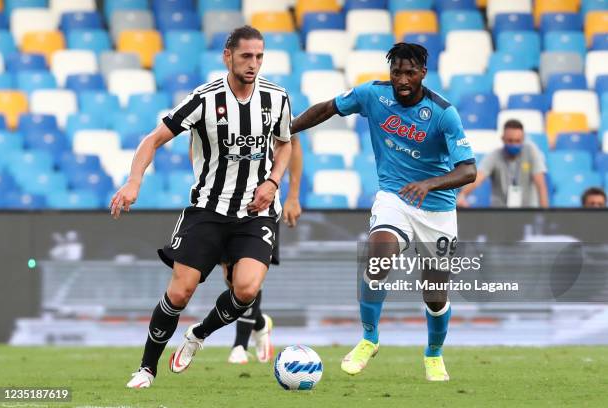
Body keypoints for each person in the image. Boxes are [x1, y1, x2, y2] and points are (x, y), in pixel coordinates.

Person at [110, 25, 293, 388]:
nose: (253, 64)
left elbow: (285, 144)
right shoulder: (205, 99)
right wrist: (134, 181)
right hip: (208, 210)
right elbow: (153, 139)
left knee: (246, 289)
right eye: (245, 56)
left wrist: (273, 182)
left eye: (259, 56)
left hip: (255, 213)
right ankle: (147, 368)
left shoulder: (277, 98)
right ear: (228, 56)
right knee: (179, 292)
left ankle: (199, 335)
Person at [290, 43, 476, 381]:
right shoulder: (372, 96)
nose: (402, 79)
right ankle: (369, 337)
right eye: (396, 72)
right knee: (378, 255)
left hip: (437, 210)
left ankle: (433, 354)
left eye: (409, 73)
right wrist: (287, 129)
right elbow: (328, 109)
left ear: (423, 73)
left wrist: (430, 184)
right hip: (395, 198)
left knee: (435, 296)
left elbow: (468, 171)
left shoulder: (443, 112)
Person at [225, 135, 303, 364]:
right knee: (232, 281)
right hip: (223, 204)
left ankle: (240, 345)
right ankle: (260, 324)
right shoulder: (213, 102)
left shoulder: (274, 101)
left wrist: (293, 196)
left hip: (262, 206)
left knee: (248, 278)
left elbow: (294, 142)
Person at [457, 119, 549, 208]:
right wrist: (462, 195)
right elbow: (478, 177)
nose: (514, 144)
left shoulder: (531, 151)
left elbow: (540, 184)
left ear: (523, 139)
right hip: (500, 213)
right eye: (510, 140)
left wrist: (544, 215)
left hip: (528, 212)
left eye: (517, 141)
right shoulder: (495, 155)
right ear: (503, 139)